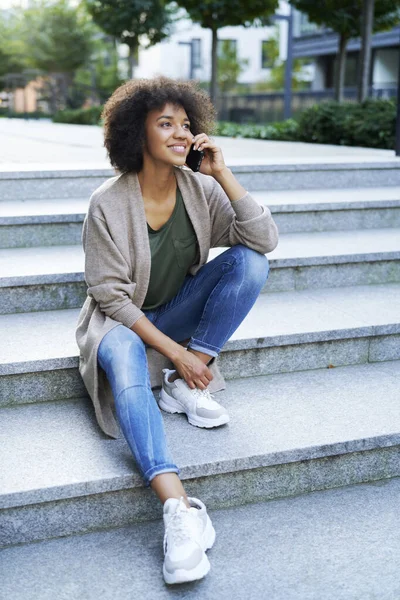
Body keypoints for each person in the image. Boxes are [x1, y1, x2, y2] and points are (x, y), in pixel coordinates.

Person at [76, 75, 279, 585]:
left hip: (176, 315)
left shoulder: (200, 189)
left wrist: (223, 173)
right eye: (164, 123)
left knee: (250, 264)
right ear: (134, 133)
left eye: (185, 124)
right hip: (120, 323)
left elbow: (263, 240)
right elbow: (111, 297)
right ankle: (180, 509)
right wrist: (178, 353)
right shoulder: (108, 201)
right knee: (123, 355)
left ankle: (177, 383)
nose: (180, 133)